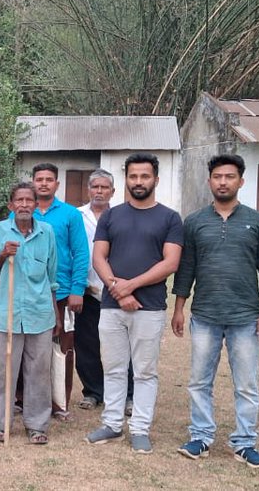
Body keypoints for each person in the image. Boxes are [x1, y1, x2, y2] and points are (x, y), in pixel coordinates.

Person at [172, 154, 259, 469]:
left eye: (229, 177)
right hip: (204, 315)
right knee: (198, 381)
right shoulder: (194, 222)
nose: (223, 182)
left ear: (240, 181)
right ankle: (201, 437)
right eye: (217, 176)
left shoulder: (258, 222)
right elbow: (186, 269)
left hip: (245, 317)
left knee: (246, 384)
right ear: (209, 181)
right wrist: (179, 308)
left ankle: (245, 443)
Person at [86, 153, 183, 454]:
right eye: (133, 176)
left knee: (144, 371)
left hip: (150, 307)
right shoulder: (112, 216)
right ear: (126, 179)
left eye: (144, 176)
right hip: (112, 307)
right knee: (113, 367)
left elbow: (170, 263)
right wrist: (117, 289)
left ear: (155, 178)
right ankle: (112, 424)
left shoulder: (169, 218)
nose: (138, 182)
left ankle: (140, 428)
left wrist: (131, 286)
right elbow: (99, 256)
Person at [0, 182, 58, 445]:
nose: (25, 205)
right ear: (11, 205)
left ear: (37, 205)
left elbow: (52, 276)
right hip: (7, 314)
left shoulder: (47, 232)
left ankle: (37, 425)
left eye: (30, 200)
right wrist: (4, 254)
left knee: (39, 371)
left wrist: (56, 316)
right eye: (20, 200)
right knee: (4, 370)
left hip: (40, 314)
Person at [27, 163, 89, 417]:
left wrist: (77, 290)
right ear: (32, 182)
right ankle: (24, 399)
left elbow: (81, 253)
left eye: (48, 179)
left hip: (62, 294)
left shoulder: (70, 215)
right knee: (28, 349)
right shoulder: (21, 212)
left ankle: (60, 402)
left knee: (63, 348)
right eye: (39, 179)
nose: (43, 183)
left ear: (57, 184)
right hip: (29, 294)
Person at [76, 169, 130, 412]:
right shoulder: (76, 216)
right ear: (88, 190)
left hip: (117, 292)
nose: (99, 191)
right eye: (95, 187)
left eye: (104, 187)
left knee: (122, 346)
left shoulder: (123, 217)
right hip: (86, 290)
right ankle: (93, 392)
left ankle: (128, 395)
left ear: (113, 191)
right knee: (86, 345)